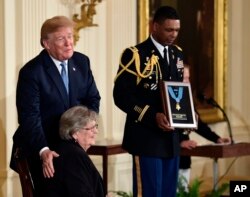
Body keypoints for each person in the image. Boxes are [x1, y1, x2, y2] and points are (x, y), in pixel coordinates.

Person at [10, 16, 101, 196]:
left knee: (88, 185)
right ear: (46, 43)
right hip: (43, 145)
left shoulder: (82, 62)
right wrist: (43, 151)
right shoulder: (32, 72)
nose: (69, 43)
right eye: (61, 38)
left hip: (71, 145)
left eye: (70, 36)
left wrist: (86, 129)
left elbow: (93, 99)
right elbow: (29, 117)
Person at [113, 6, 184, 197]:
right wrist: (152, 116)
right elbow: (121, 96)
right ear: (155, 27)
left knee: (169, 194)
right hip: (146, 138)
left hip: (171, 140)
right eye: (169, 30)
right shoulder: (136, 54)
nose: (173, 35)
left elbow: (177, 92)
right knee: (150, 193)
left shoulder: (177, 54)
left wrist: (187, 114)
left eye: (177, 30)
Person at [178, 65, 230, 190]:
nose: (187, 82)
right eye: (183, 78)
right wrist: (179, 142)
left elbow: (198, 125)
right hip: (169, 157)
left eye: (188, 78)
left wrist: (217, 139)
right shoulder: (164, 99)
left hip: (184, 159)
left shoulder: (186, 99)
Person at [45, 105, 105, 197]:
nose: (96, 131)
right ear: (75, 133)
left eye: (96, 126)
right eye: (91, 128)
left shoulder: (70, 150)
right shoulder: (73, 156)